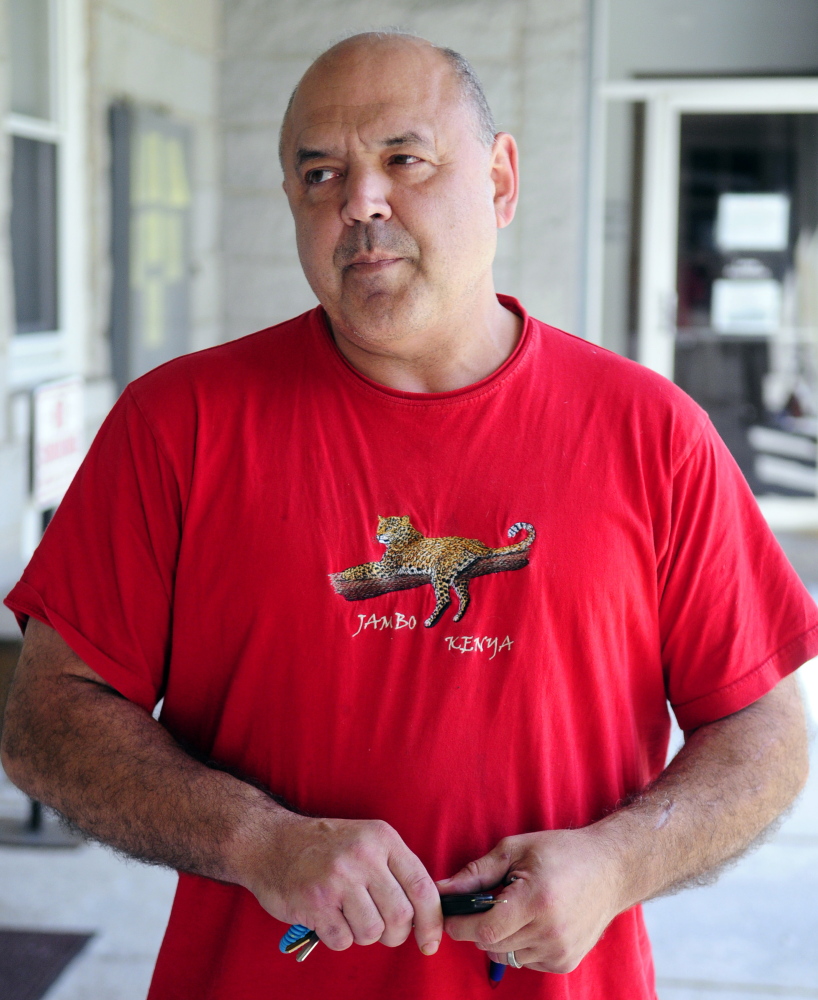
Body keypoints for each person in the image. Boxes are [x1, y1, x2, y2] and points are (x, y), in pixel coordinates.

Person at [2, 30, 817, 1000]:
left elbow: (764, 731)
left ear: (500, 180)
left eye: (404, 158)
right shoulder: (178, 425)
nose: (361, 201)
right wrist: (257, 841)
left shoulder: (651, 433)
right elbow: (46, 720)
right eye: (321, 173)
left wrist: (620, 862)